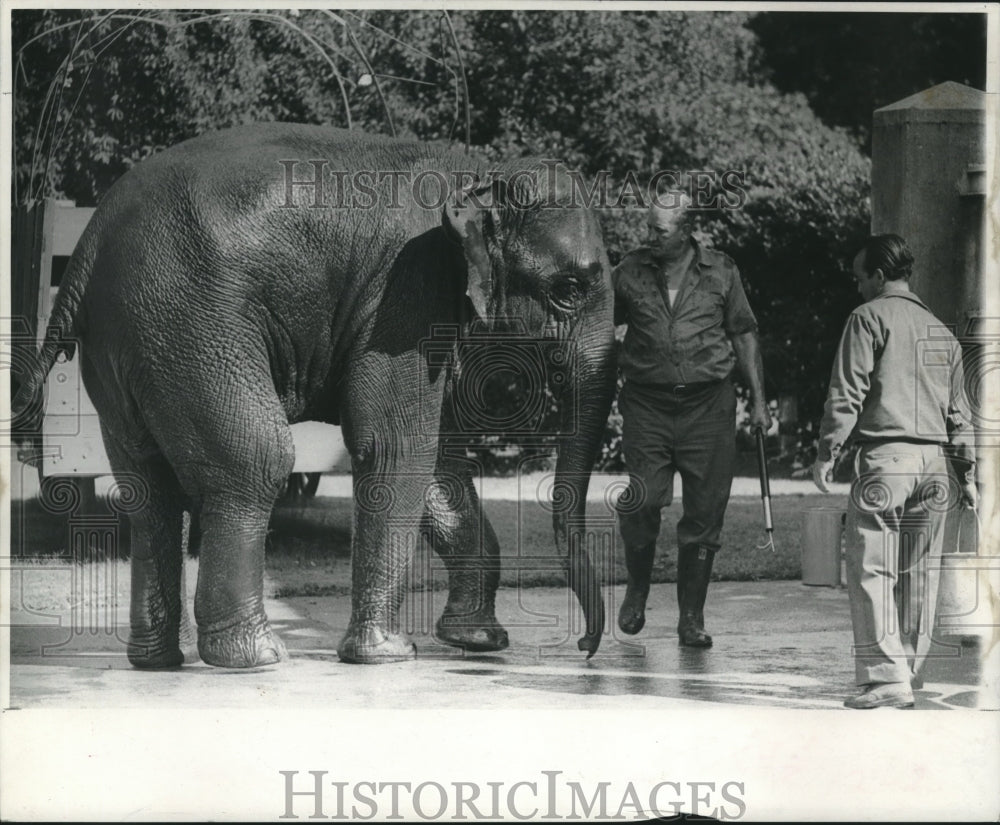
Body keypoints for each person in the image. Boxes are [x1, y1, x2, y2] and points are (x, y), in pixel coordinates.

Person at [812, 234, 977, 709]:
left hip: (887, 459)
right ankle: (907, 670)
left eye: (861, 278)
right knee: (918, 573)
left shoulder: (867, 318)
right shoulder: (939, 331)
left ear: (879, 277)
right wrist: (966, 476)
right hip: (937, 466)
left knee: (872, 568)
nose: (858, 287)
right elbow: (959, 414)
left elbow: (847, 392)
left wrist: (829, 452)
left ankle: (886, 678)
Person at [613, 193, 771, 647]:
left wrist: (759, 402)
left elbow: (743, 333)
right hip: (647, 406)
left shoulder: (721, 270)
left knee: (705, 514)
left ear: (686, 230)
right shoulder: (629, 270)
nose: (650, 236)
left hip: (709, 407)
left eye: (659, 230)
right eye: (650, 228)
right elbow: (601, 323)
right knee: (642, 500)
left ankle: (691, 618)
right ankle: (638, 587)